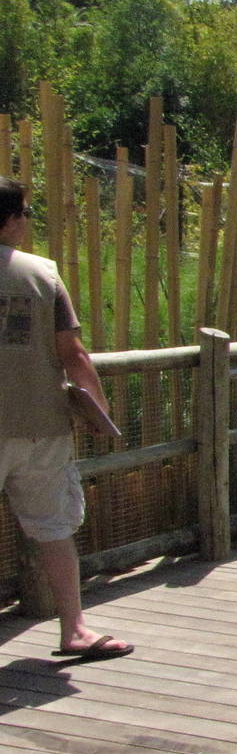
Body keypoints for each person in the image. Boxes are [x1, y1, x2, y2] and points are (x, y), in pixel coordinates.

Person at [0, 178, 133, 661]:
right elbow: (73, 353)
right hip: (39, 426)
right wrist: (99, 412)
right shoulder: (42, 275)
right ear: (9, 220)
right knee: (54, 529)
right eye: (25, 213)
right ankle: (74, 629)